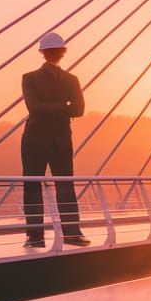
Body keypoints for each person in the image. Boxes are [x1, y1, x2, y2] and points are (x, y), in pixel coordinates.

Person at [20, 32, 91, 248]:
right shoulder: (68, 81)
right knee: (58, 185)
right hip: (52, 138)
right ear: (61, 52)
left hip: (37, 138)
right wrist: (63, 107)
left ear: (43, 52)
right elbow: (35, 108)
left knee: (36, 186)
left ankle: (36, 237)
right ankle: (68, 233)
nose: (54, 53)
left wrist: (50, 108)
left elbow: (78, 110)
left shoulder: (30, 78)